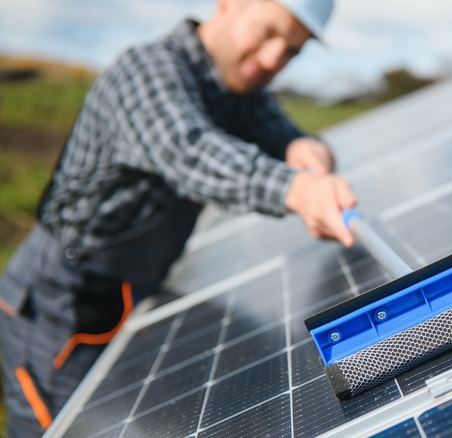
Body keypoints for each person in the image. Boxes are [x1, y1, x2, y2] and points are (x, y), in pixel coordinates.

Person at [0, 0, 356, 436]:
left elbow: (278, 133)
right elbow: (190, 150)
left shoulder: (236, 90)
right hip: (59, 310)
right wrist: (295, 189)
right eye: (267, 32)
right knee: (63, 429)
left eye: (292, 51)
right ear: (228, 5)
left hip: (134, 295)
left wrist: (304, 148)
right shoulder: (146, 74)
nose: (272, 60)